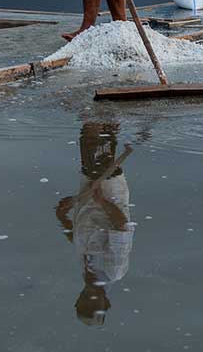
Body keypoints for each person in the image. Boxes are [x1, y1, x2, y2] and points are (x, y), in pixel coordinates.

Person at [55, 122, 135, 327]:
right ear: (106, 302)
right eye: (94, 306)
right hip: (107, 190)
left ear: (78, 301)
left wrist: (63, 217)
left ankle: (105, 108)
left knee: (91, 138)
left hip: (89, 193)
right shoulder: (113, 270)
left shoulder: (87, 273)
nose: (88, 301)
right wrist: (102, 200)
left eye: (83, 305)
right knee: (93, 137)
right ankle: (105, 106)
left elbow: (79, 241)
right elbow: (121, 226)